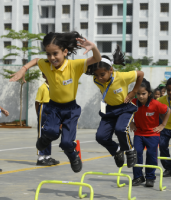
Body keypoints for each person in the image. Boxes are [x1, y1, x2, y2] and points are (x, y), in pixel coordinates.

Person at [9, 31, 101, 173]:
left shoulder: (74, 66)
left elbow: (96, 58)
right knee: (51, 132)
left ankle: (73, 156)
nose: (52, 58)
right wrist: (23, 69)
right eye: (48, 54)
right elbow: (35, 60)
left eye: (55, 53)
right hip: (53, 107)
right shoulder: (46, 64)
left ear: (64, 52)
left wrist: (93, 47)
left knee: (66, 143)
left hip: (70, 109)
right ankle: (46, 138)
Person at [86, 45, 144, 168]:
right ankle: (117, 151)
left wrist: (133, 92)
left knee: (120, 129)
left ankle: (130, 150)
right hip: (109, 110)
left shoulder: (122, 77)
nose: (99, 78)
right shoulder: (96, 80)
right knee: (100, 137)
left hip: (124, 108)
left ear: (111, 70)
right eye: (97, 75)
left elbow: (140, 74)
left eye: (102, 74)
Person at [130, 79, 171, 187]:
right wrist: (131, 123)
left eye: (143, 94)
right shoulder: (133, 103)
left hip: (153, 134)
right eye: (138, 94)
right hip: (139, 133)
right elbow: (125, 112)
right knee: (136, 153)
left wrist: (162, 125)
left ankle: (150, 177)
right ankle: (138, 177)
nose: (141, 96)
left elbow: (168, 111)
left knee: (151, 155)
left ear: (149, 93)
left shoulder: (155, 104)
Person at [35, 73, 60, 166]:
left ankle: (47, 156)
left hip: (52, 109)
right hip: (44, 107)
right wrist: (39, 113)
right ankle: (40, 158)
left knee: (50, 132)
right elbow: (37, 102)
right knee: (41, 133)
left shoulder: (54, 87)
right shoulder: (42, 88)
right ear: (44, 76)